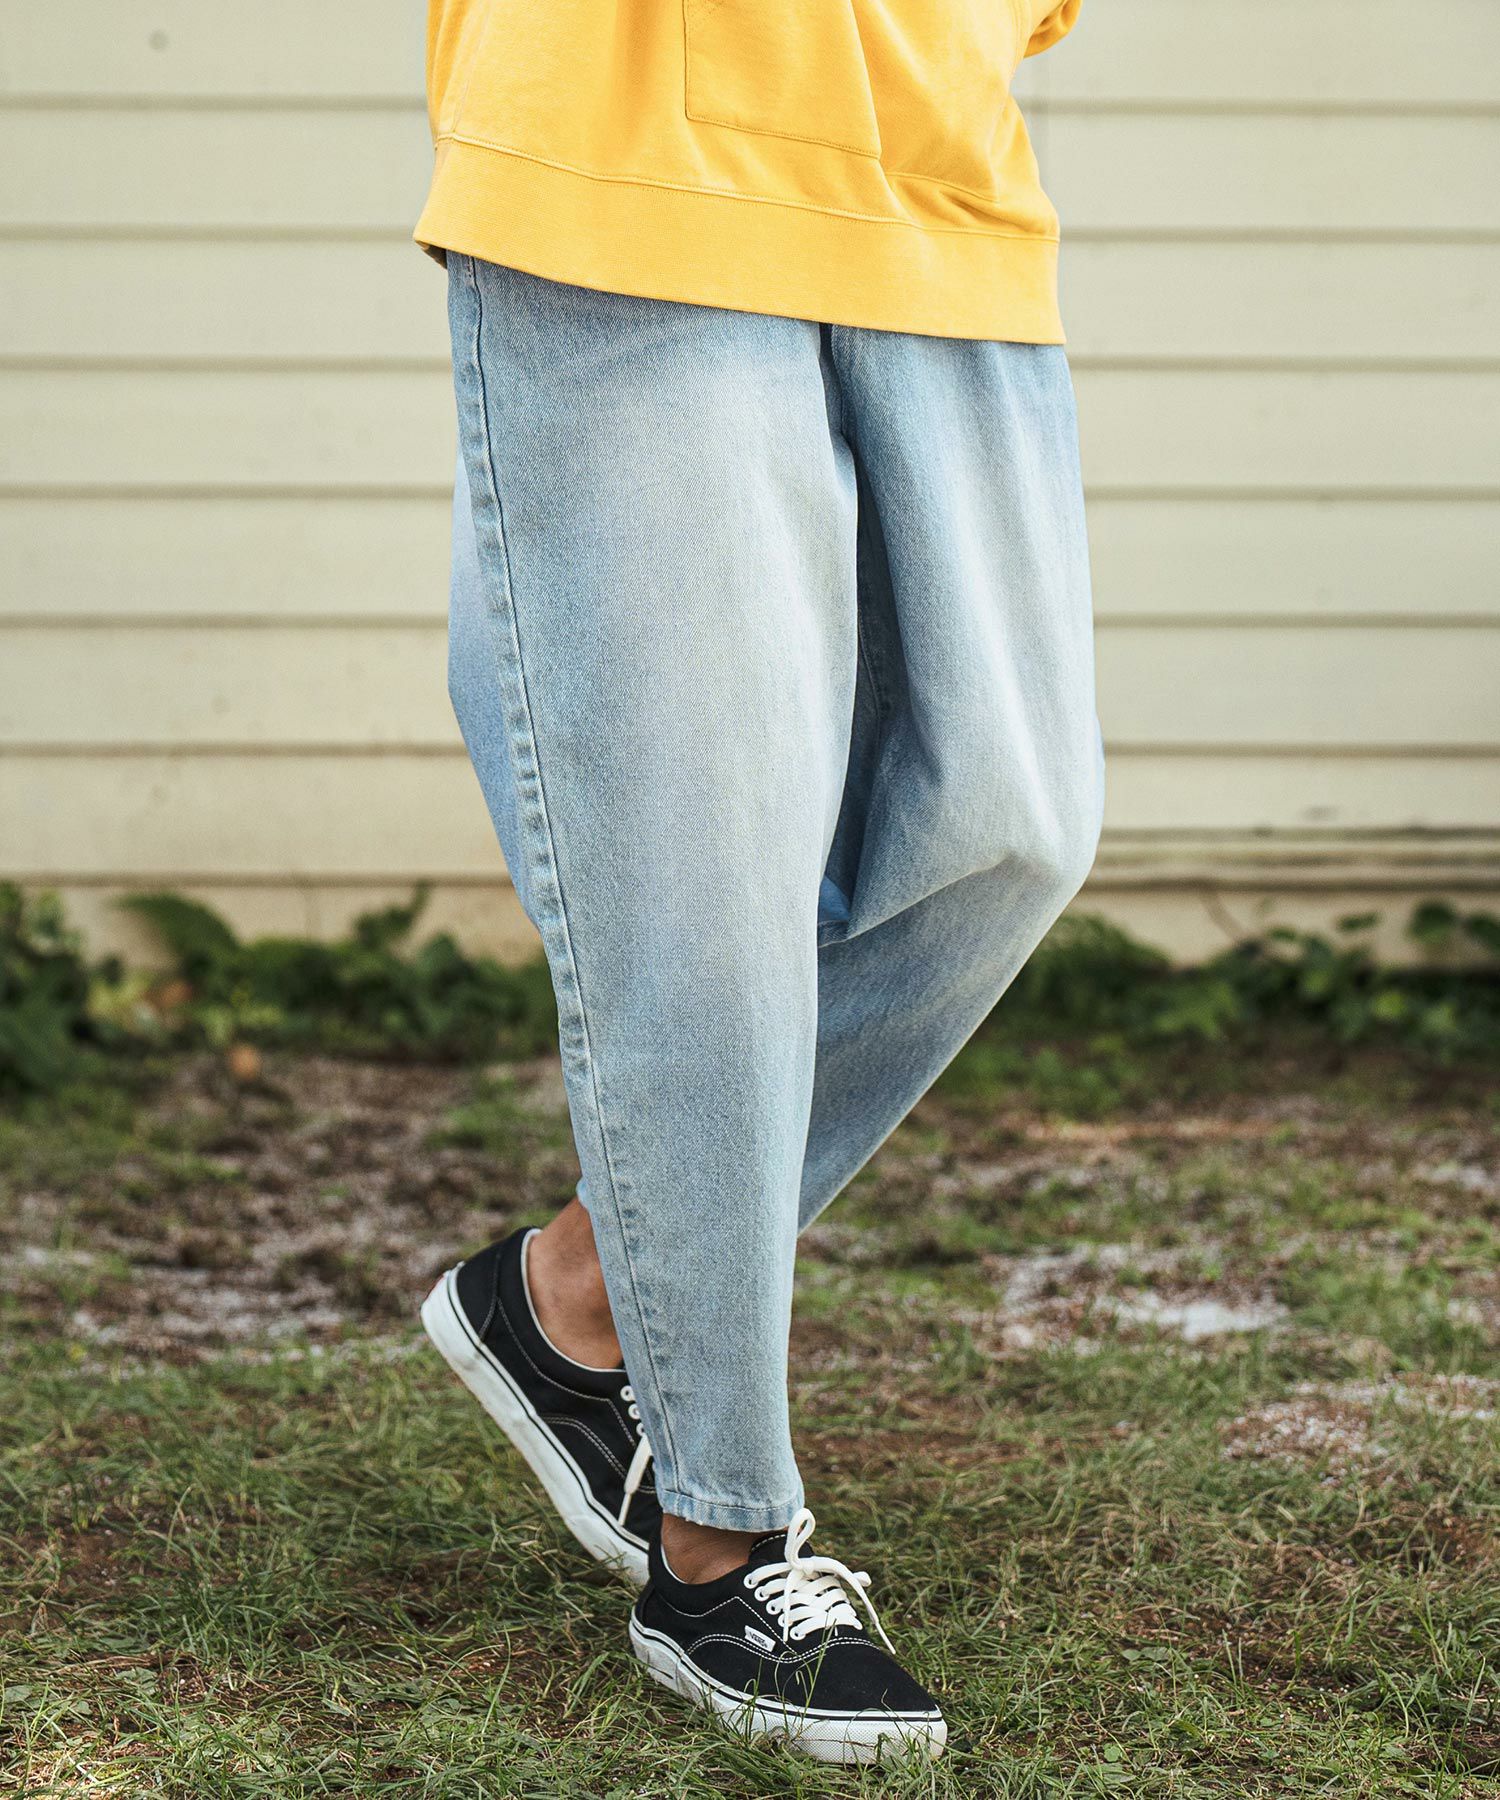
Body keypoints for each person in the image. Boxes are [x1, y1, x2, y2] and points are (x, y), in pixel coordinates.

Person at [416, 0, 1101, 1764]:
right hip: (635, 160)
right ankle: (721, 1541)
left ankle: (580, 1292)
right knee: (698, 886)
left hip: (936, 177)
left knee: (1013, 827)